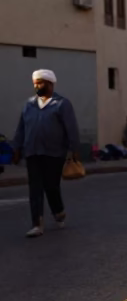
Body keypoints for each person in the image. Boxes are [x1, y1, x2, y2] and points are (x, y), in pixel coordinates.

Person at [13, 69, 80, 238]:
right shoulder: (28, 105)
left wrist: (74, 149)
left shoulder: (62, 104)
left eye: (40, 83)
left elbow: (71, 127)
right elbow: (21, 128)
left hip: (54, 153)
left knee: (51, 185)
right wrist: (17, 148)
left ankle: (58, 210)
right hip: (32, 151)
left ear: (50, 84)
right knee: (35, 187)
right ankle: (37, 224)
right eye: (35, 84)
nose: (37, 86)